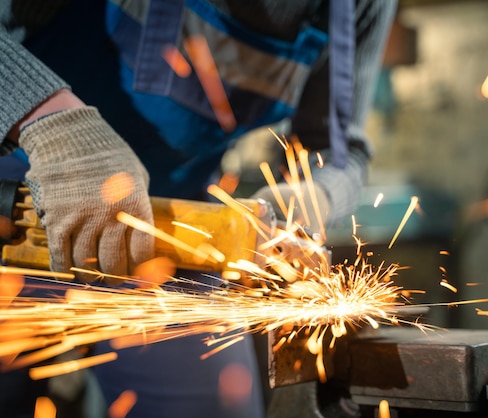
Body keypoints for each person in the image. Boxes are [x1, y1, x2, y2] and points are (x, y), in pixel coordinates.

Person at [0, 0, 397, 417]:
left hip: (181, 241)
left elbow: (338, 151)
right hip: (17, 211)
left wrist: (315, 194)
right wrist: (53, 125)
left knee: (214, 407)